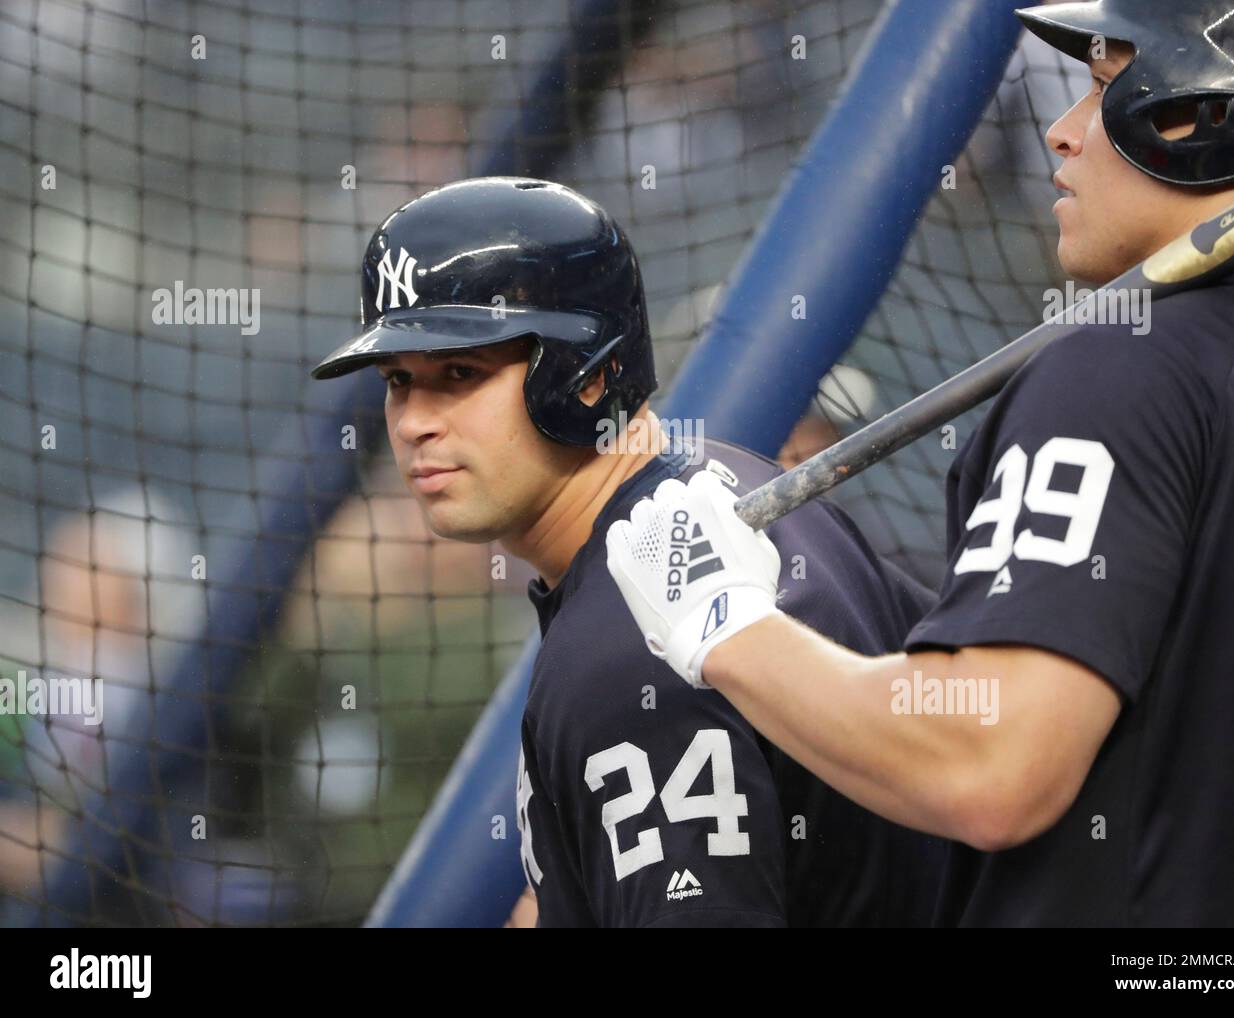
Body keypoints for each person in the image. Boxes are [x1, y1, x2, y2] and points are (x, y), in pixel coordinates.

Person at [604, 0, 1234, 926]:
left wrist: (724, 626)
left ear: (1202, 110)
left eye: (1102, 89)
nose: (1060, 134)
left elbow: (991, 758)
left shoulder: (1123, 367)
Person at [311, 177, 944, 927]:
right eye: (397, 383)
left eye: (459, 375)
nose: (414, 423)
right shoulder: (739, 480)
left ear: (588, 375)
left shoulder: (626, 654)